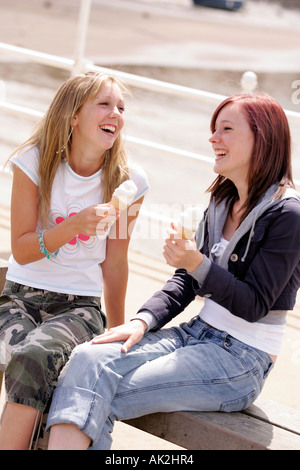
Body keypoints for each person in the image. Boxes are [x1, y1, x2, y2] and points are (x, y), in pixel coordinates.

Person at [46, 93, 300, 450]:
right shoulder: (222, 202)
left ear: (263, 139)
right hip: (196, 334)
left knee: (93, 389)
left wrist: (196, 262)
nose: (213, 139)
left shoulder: (287, 215)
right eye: (214, 130)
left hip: (241, 360)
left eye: (226, 129)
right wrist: (141, 321)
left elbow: (255, 304)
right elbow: (185, 282)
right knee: (87, 358)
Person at [0, 71, 149, 450]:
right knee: (23, 352)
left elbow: (115, 263)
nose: (115, 113)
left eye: (121, 107)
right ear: (73, 116)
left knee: (34, 356)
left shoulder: (128, 181)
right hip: (20, 295)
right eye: (104, 104)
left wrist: (117, 333)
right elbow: (22, 248)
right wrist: (76, 225)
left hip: (78, 307)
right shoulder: (33, 162)